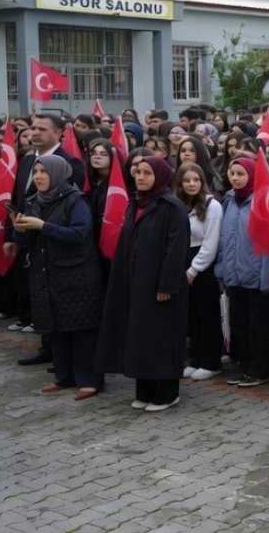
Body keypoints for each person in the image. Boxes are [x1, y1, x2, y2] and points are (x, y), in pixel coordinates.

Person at [95, 155, 191, 412]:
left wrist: (166, 286)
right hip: (135, 284)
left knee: (160, 338)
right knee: (139, 337)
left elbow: (175, 251)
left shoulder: (171, 207)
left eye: (147, 172)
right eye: (137, 172)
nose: (140, 177)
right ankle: (145, 390)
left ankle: (166, 394)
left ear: (159, 176)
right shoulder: (135, 203)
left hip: (160, 287)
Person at [12, 156, 105, 400]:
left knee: (81, 329)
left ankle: (90, 379)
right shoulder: (33, 200)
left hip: (76, 275)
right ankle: (64, 377)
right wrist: (19, 230)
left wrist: (43, 226)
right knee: (56, 328)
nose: (39, 176)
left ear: (58, 173)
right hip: (45, 274)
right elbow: (28, 242)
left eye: (44, 171)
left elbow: (79, 233)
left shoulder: (74, 199)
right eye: (37, 171)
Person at [216, 157, 269, 387]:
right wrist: (221, 270)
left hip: (256, 276)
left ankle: (260, 369)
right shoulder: (229, 200)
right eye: (232, 173)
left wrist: (267, 277)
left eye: (240, 173)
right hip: (234, 275)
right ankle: (244, 367)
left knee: (258, 326)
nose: (235, 178)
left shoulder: (262, 202)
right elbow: (224, 238)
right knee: (239, 324)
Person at [176, 163, 223, 382]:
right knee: (191, 316)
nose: (191, 184)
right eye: (187, 180)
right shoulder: (181, 205)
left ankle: (211, 361)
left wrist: (194, 269)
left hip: (203, 267)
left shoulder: (212, 206)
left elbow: (210, 244)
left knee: (207, 315)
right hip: (184, 261)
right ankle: (196, 358)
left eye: (196, 179)